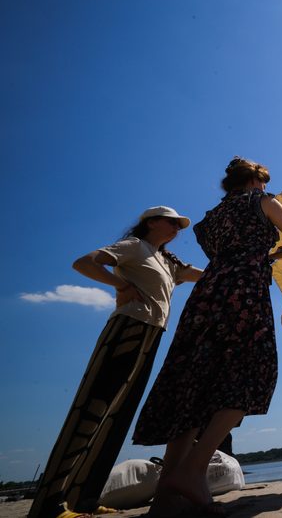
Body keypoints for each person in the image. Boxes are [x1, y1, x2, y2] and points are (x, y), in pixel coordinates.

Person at [132, 157, 282, 515]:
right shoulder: (263, 200)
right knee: (250, 374)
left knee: (193, 382)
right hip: (243, 294)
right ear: (256, 182)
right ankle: (194, 470)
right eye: (263, 182)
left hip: (208, 294)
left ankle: (167, 492)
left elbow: (234, 253)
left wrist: (276, 253)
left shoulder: (208, 222)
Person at [29, 207, 203, 518]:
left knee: (116, 417)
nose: (176, 228)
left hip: (152, 335)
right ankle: (48, 504)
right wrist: (120, 286)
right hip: (127, 329)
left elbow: (204, 276)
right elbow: (83, 263)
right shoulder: (134, 246)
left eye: (179, 225)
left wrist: (264, 259)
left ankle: (84, 498)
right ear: (151, 222)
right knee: (91, 411)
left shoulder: (167, 261)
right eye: (171, 222)